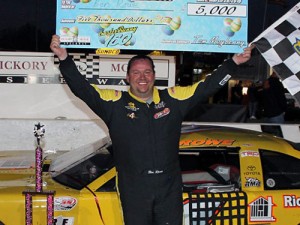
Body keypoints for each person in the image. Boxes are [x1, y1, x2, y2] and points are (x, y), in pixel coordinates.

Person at [50, 35, 253, 225]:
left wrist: (233, 63)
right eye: (136, 72)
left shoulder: (173, 99)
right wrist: (64, 58)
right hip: (134, 190)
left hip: (169, 189)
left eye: (147, 72)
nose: (142, 77)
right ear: (127, 78)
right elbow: (82, 89)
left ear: (154, 76)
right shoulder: (113, 102)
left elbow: (207, 87)